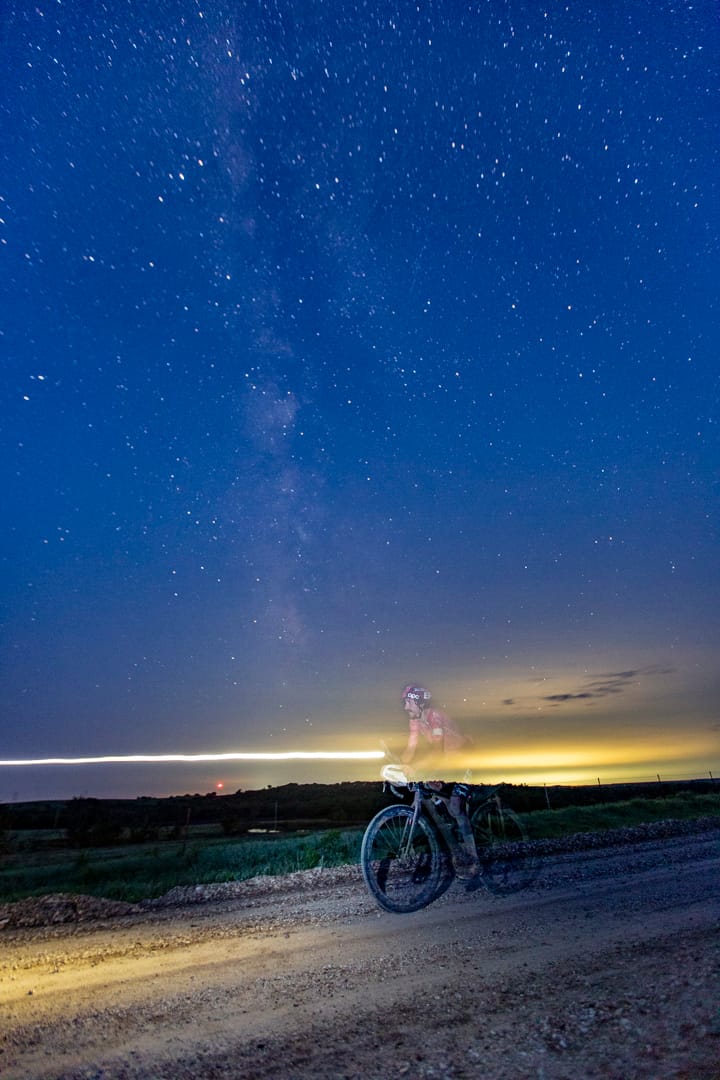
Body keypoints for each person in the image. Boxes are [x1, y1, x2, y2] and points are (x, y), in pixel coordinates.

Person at [399, 684, 480, 880]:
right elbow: (410, 749)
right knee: (431, 788)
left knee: (456, 807)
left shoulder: (434, 717)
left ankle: (475, 861)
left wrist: (417, 768)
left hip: (465, 759)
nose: (406, 707)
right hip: (448, 763)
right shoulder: (415, 721)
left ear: (419, 702)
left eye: (408, 702)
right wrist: (399, 766)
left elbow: (436, 751)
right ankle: (454, 846)